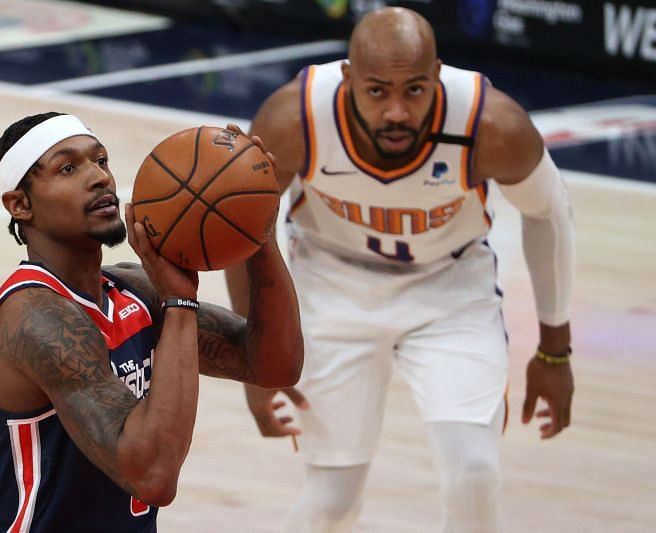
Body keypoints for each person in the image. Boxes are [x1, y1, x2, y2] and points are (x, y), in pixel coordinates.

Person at [225, 7, 574, 532]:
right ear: (348, 81)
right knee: (333, 499)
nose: (396, 111)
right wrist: (256, 351)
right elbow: (243, 230)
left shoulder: (492, 125)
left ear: (437, 78)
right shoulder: (293, 121)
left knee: (474, 471)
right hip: (331, 284)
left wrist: (555, 349)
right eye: (377, 91)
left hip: (451, 291)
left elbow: (551, 214)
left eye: (414, 90)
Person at [0, 112, 303, 532]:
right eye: (68, 168)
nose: (99, 178)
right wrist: (180, 302)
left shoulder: (135, 290)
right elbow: (154, 477)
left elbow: (273, 364)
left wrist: (258, 226)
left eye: (101, 160)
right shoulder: (37, 320)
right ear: (20, 205)